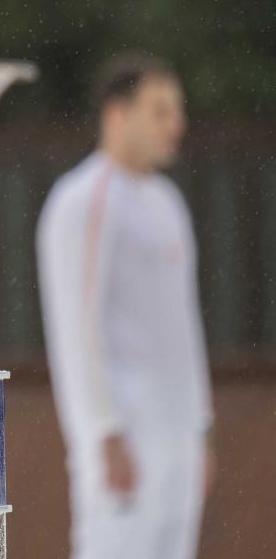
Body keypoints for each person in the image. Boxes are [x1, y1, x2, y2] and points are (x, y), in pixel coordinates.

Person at [36, 53, 215, 559]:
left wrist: (199, 427)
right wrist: (102, 432)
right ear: (118, 115)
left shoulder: (167, 201)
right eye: (160, 111)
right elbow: (76, 326)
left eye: (177, 111)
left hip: (177, 434)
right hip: (126, 437)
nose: (176, 125)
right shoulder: (84, 198)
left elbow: (183, 325)